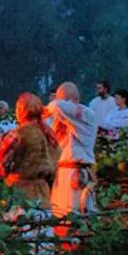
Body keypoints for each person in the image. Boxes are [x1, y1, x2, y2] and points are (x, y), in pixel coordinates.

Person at [0, 93, 59, 209]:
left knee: (23, 225)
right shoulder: (49, 134)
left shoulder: (18, 134)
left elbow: (0, 162)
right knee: (43, 225)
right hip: (44, 194)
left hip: (22, 194)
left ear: (22, 110)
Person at [45, 82, 98, 217]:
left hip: (76, 172)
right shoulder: (60, 120)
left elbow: (56, 106)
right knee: (58, 215)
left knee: (74, 217)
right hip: (60, 172)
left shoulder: (86, 114)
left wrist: (50, 107)